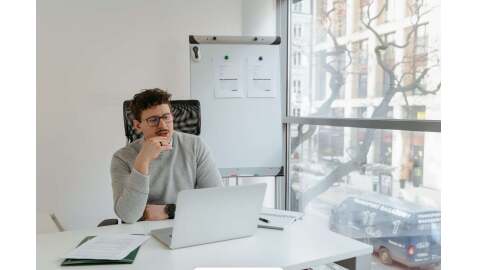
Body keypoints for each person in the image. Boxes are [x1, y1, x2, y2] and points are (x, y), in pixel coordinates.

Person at [110, 88, 223, 223]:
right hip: (141, 232)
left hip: (186, 225)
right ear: (138, 125)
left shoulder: (195, 145)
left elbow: (217, 200)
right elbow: (128, 215)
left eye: (166, 117)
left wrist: (168, 211)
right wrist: (143, 160)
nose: (163, 125)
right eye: (153, 120)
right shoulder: (122, 158)